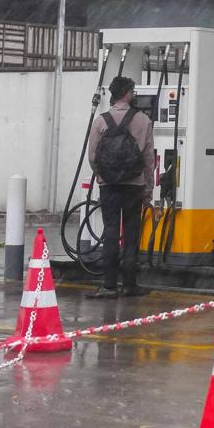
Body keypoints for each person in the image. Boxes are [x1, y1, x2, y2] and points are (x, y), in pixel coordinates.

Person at [86, 76, 156, 299]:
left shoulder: (100, 121)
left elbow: (92, 155)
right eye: (133, 90)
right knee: (131, 235)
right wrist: (148, 189)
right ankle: (129, 284)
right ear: (126, 92)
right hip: (134, 185)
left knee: (110, 232)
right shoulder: (143, 120)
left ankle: (108, 285)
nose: (134, 94)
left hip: (109, 186)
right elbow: (148, 158)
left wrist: (101, 176)